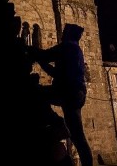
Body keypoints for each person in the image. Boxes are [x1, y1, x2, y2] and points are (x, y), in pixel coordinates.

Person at [32, 23, 93, 166]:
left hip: (68, 92)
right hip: (76, 94)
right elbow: (57, 73)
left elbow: (45, 55)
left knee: (37, 93)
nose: (62, 34)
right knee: (78, 137)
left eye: (65, 32)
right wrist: (43, 62)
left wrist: (32, 52)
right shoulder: (76, 49)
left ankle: (55, 126)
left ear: (69, 34)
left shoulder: (67, 47)